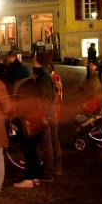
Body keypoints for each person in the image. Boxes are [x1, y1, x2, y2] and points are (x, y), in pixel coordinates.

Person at [32, 52, 58, 180]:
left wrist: (44, 116)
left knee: (46, 145)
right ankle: (51, 170)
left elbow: (44, 99)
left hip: (45, 116)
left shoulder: (43, 78)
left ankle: (48, 173)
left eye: (34, 60)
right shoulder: (44, 76)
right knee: (48, 143)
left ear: (38, 62)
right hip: (48, 114)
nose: (32, 62)